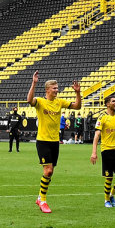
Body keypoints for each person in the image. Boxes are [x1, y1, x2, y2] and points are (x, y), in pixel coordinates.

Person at [27, 71, 81, 213]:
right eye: (54, 88)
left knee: (50, 173)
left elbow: (77, 106)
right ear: (47, 90)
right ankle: (43, 201)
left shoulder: (60, 102)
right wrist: (34, 83)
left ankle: (40, 197)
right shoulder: (40, 102)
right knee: (48, 170)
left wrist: (78, 93)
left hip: (55, 142)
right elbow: (29, 100)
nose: (57, 90)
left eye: (57, 88)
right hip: (43, 141)